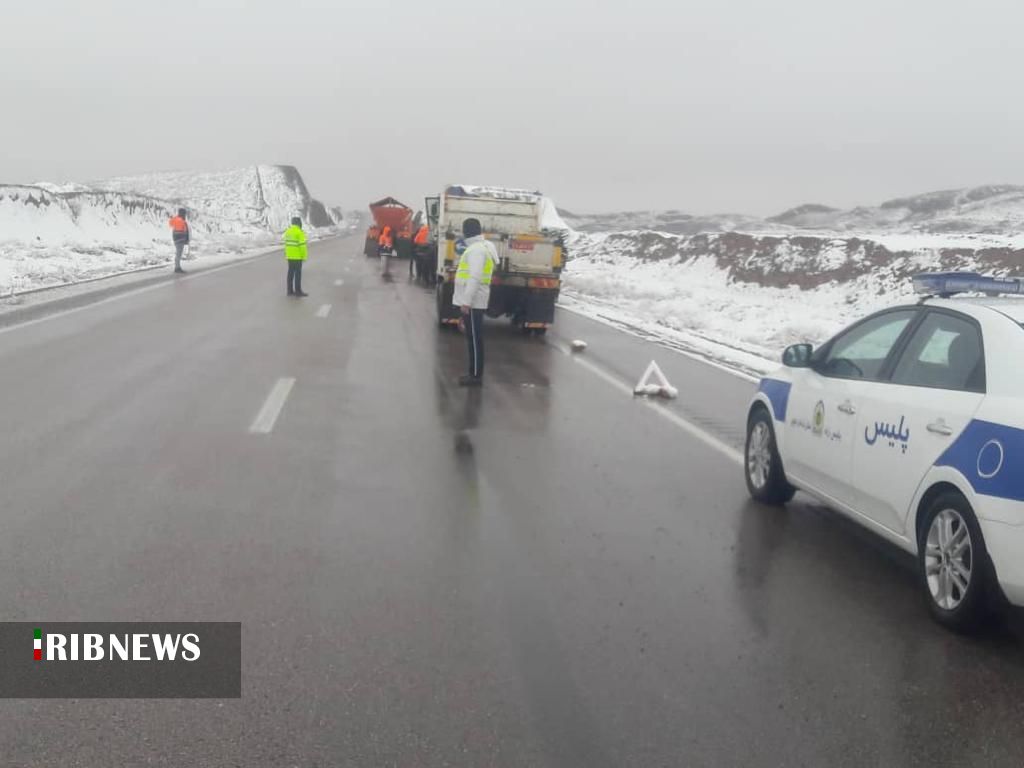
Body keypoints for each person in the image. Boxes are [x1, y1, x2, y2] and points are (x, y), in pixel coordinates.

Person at [452, 218, 496, 387]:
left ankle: (476, 376)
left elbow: (475, 277)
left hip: (473, 302)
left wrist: (466, 302)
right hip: (475, 301)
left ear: (467, 232)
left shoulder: (476, 250)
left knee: (475, 340)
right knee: (473, 338)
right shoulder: (480, 247)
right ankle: (474, 373)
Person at [284, 217, 308, 297]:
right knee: (298, 274)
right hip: (297, 257)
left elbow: (286, 245)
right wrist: (304, 256)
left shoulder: (288, 232)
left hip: (290, 256)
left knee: (290, 273)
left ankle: (289, 291)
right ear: (299, 223)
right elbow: (302, 246)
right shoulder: (299, 232)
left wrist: (286, 254)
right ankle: (298, 291)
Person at [168, 208, 190, 274]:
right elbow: (185, 231)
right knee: (178, 254)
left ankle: (177, 267)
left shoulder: (175, 219)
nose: (185, 215)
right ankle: (177, 268)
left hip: (175, 238)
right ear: (183, 213)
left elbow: (171, 224)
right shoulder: (182, 221)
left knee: (178, 253)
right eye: (185, 213)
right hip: (181, 239)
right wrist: (186, 240)